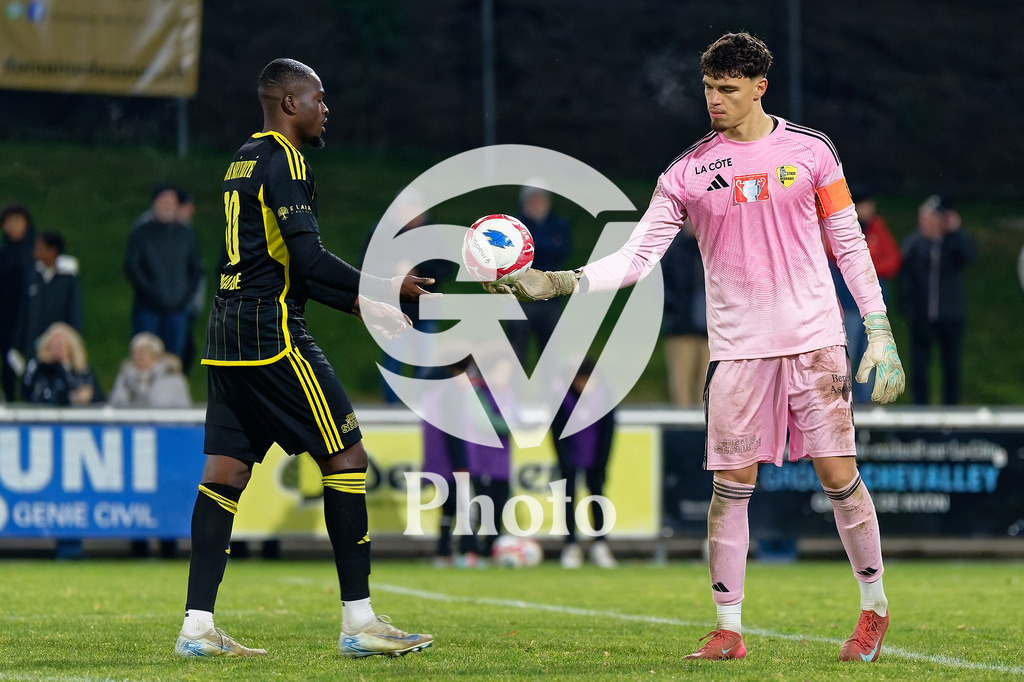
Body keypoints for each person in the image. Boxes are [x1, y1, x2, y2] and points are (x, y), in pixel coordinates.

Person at [486, 32, 905, 663]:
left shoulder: (814, 153)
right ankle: (728, 628)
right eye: (708, 88)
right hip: (736, 350)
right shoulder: (686, 173)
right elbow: (638, 255)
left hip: (815, 342)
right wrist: (563, 280)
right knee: (730, 485)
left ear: (759, 87)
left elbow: (848, 244)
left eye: (728, 89)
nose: (714, 100)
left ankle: (874, 609)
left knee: (838, 474)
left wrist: (879, 331)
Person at [174, 58, 434, 659]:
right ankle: (359, 621)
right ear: (290, 103)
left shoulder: (243, 157)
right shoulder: (288, 160)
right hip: (273, 337)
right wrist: (385, 286)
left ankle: (196, 627)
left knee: (225, 474)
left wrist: (362, 306)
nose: (326, 109)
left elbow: (284, 264)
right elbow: (310, 260)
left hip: (226, 340)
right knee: (346, 454)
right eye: (319, 98)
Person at [824, 187, 902, 403]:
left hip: (873, 311)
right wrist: (867, 266)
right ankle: (841, 405)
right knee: (845, 358)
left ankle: (867, 411)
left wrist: (864, 266)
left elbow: (893, 260)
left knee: (872, 360)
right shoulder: (841, 227)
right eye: (866, 204)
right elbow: (835, 255)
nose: (871, 209)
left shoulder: (877, 227)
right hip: (848, 307)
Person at [898, 195, 977, 405]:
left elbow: (969, 257)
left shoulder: (952, 243)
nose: (924, 223)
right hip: (922, 316)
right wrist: (907, 307)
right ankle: (920, 412)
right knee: (919, 366)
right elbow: (905, 278)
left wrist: (956, 231)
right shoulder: (914, 244)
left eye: (929, 219)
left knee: (951, 365)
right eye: (921, 219)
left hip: (950, 315)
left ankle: (951, 411)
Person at [123, 183, 204, 362]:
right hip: (148, 308)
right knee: (145, 356)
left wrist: (183, 297)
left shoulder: (186, 234)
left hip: (178, 310)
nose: (166, 206)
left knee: (174, 359)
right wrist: (151, 293)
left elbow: (195, 270)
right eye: (163, 201)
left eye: (171, 202)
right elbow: (133, 267)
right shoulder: (141, 233)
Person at [551, 358, 617, 568]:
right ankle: (571, 544)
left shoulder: (605, 396)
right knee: (568, 498)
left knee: (597, 496)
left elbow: (608, 432)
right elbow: (557, 432)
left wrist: (603, 461)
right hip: (570, 456)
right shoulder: (562, 398)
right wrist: (564, 459)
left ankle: (600, 543)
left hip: (595, 456)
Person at [506, 181, 572, 364]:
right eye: (533, 199)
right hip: (520, 297)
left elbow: (563, 250)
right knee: (516, 353)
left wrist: (534, 246)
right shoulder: (513, 225)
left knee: (550, 353)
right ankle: (511, 391)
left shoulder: (559, 224)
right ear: (524, 201)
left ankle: (550, 392)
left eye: (542, 199)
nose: (538, 203)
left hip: (550, 298)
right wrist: (546, 245)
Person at [11, 231, 83, 369]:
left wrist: (73, 340)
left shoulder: (67, 279)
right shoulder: (33, 276)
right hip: (33, 344)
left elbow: (74, 310)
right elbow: (24, 312)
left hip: (57, 345)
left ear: (52, 251)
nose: (35, 250)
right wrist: (16, 344)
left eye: (40, 246)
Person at [660, 220, 709, 406]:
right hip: (680, 329)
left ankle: (705, 431)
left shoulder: (713, 247)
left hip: (711, 331)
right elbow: (660, 286)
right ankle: (681, 432)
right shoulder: (672, 250)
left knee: (708, 387)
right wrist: (675, 309)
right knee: (681, 384)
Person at [0, 203, 37, 401]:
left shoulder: (37, 251)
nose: (13, 226)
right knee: (8, 361)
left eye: (17, 221)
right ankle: (9, 398)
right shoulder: (3, 252)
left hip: (29, 316)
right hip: (6, 316)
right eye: (8, 222)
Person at [22, 322, 104, 406]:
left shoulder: (82, 371)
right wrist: (72, 398)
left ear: (70, 348)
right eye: (53, 345)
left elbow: (98, 398)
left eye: (60, 345)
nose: (57, 349)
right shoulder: (39, 370)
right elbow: (38, 396)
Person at [109, 332, 191, 408]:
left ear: (155, 355)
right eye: (136, 352)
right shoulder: (126, 375)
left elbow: (163, 403)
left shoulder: (172, 376)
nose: (138, 356)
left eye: (143, 352)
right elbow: (116, 402)